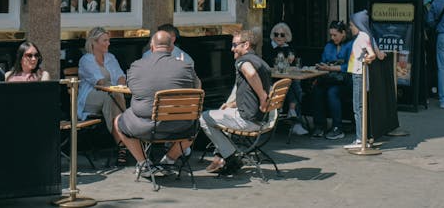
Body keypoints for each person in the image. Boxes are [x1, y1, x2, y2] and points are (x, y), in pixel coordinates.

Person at [113, 31, 200, 179]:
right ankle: (169, 160)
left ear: (151, 47)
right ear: (171, 47)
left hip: (144, 127)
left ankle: (143, 162)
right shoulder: (185, 67)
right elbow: (197, 88)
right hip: (180, 127)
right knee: (196, 120)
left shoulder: (136, 66)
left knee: (119, 120)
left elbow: (132, 90)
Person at [199, 29, 271, 175]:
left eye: (235, 45)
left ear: (246, 45)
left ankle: (230, 157)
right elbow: (249, 93)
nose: (232, 49)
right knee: (222, 113)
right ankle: (222, 156)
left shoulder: (243, 61)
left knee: (204, 117)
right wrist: (232, 104)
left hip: (248, 120)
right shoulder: (262, 62)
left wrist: (263, 96)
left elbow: (250, 73)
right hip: (261, 118)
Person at [77, 27, 128, 164]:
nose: (108, 43)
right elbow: (99, 81)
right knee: (112, 96)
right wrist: (116, 88)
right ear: (94, 42)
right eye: (105, 40)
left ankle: (122, 144)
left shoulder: (111, 57)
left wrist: (120, 84)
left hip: (112, 96)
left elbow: (121, 76)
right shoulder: (86, 60)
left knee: (113, 97)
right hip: (90, 98)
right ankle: (125, 137)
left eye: (108, 40)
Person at [310, 20, 353, 140]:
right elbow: (324, 60)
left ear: (343, 33)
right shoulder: (329, 46)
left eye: (335, 35)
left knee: (332, 92)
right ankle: (320, 126)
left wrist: (331, 67)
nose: (333, 37)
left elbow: (350, 66)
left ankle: (337, 127)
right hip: (330, 78)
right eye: (331, 35)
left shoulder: (351, 45)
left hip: (346, 80)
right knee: (317, 90)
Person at [344, 11, 380, 149]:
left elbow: (372, 55)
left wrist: (366, 60)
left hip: (359, 74)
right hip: (359, 74)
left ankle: (360, 139)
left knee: (358, 107)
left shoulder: (362, 37)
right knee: (360, 107)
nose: (351, 28)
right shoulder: (364, 36)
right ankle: (364, 137)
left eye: (352, 25)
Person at [265, 22, 306, 135]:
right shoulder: (268, 46)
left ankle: (294, 118)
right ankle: (294, 117)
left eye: (282, 35)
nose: (279, 37)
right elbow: (270, 63)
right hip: (274, 80)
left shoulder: (289, 47)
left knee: (294, 83)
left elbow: (293, 62)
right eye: (276, 34)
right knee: (293, 85)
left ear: (287, 36)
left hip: (287, 78)